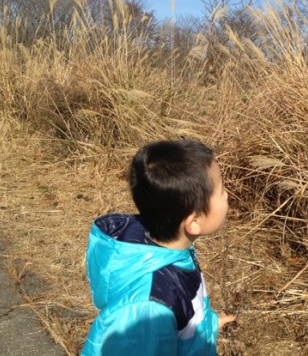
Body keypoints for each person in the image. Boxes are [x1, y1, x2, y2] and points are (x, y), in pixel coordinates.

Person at [81, 139, 236, 355]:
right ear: (194, 222)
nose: (227, 194)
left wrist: (208, 327)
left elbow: (185, 316)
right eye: (220, 191)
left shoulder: (174, 252)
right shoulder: (148, 309)